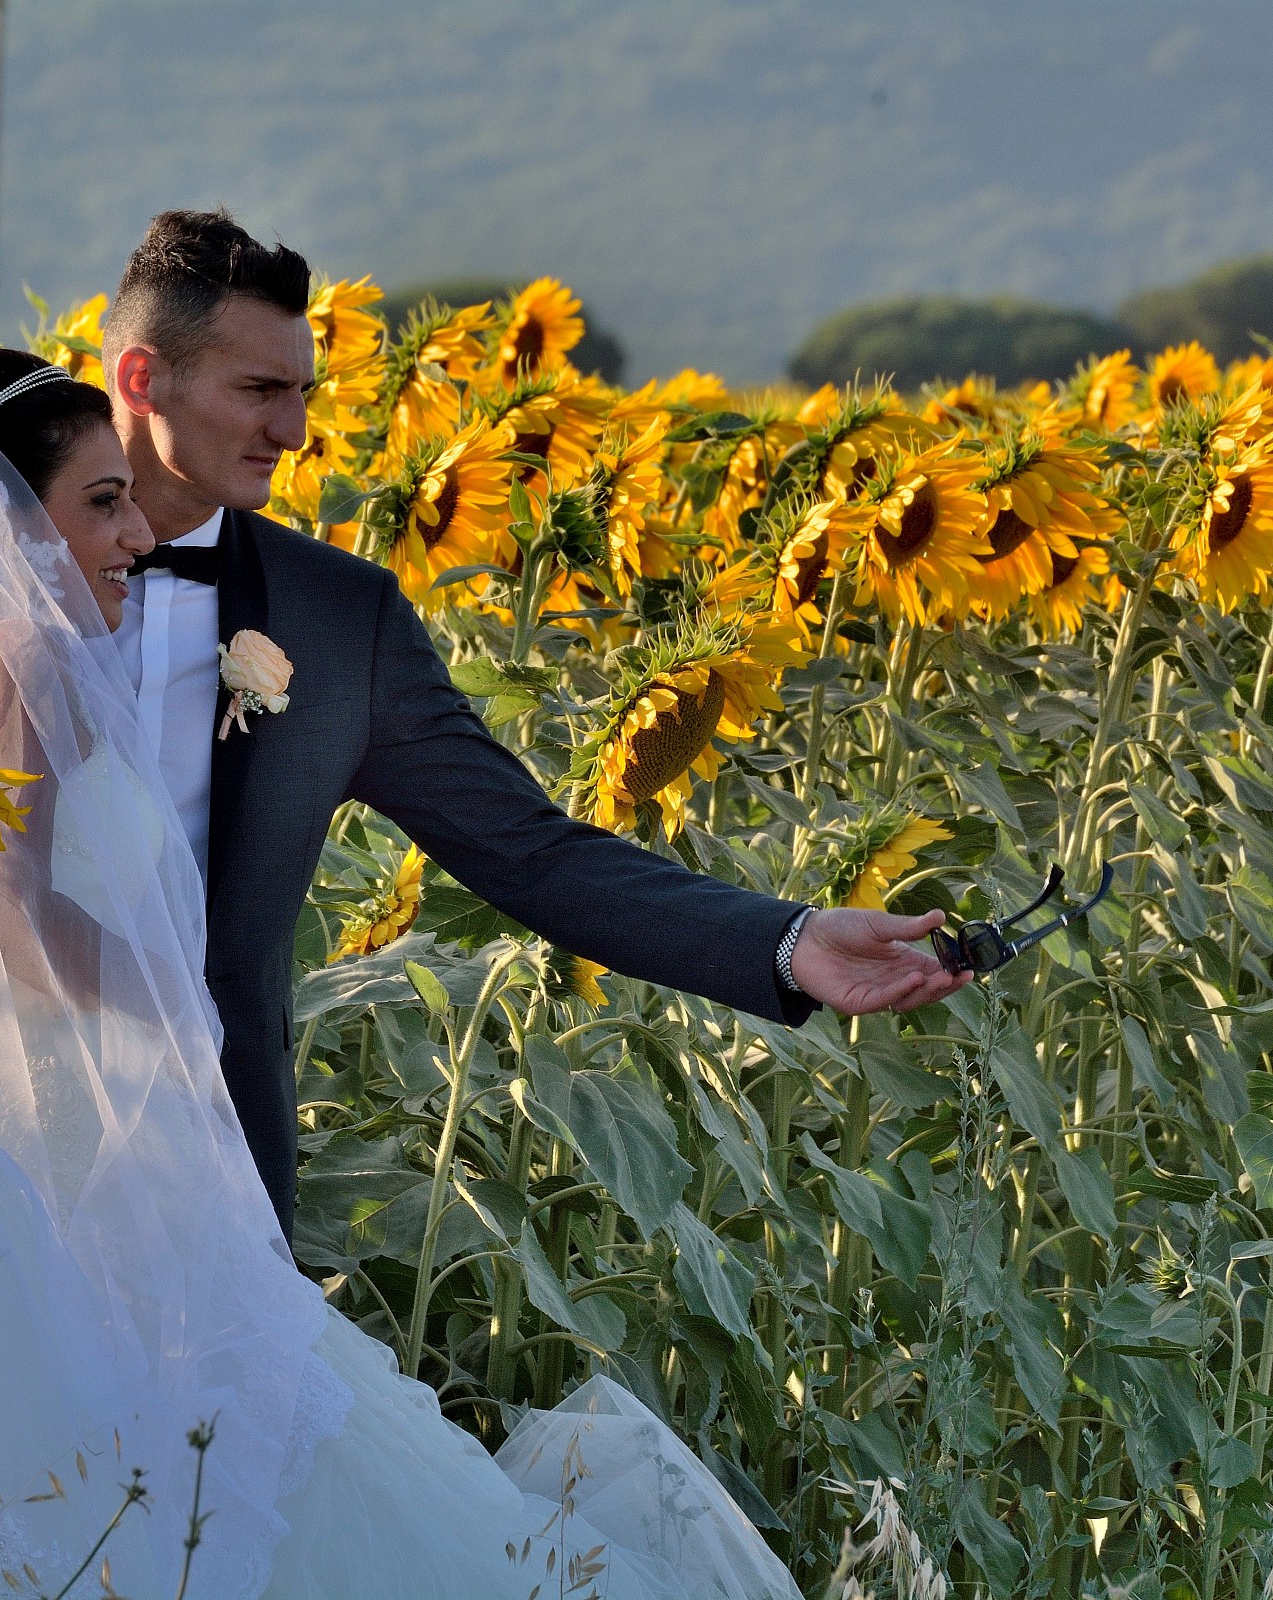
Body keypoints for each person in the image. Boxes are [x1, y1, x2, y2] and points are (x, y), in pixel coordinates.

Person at [0, 313, 810, 1598]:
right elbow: (2, 914)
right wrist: (166, 999)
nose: (138, 534)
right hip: (73, 1168)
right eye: (104, 504)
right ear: (9, 521)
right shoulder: (16, 659)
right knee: (216, 1472)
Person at [100, 209, 972, 1230]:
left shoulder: (338, 621)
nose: (292, 433)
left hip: (214, 1163)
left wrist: (788, 941)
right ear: (141, 380)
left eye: (303, 394)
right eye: (258, 391)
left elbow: (532, 852)